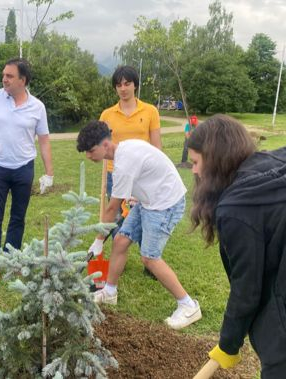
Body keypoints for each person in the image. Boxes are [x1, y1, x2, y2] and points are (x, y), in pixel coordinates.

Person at [188, 114, 286, 378]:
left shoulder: (238, 206)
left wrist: (228, 344)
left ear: (215, 159)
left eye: (196, 162)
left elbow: (246, 290)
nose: (193, 170)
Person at [77, 120, 201, 330]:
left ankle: (188, 306)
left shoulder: (124, 163)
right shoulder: (123, 151)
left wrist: (98, 240)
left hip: (165, 204)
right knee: (120, 240)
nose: (89, 156)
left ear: (105, 144)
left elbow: (112, 208)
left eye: (91, 151)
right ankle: (109, 292)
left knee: (150, 257)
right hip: (148, 201)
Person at [0, 58, 54, 289]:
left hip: (24, 169)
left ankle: (12, 260)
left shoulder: (37, 107)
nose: (4, 79)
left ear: (23, 80)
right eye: (3, 75)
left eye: (10, 76)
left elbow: (44, 141)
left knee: (17, 218)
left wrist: (49, 173)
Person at [99, 65, 162, 197]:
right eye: (119, 85)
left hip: (142, 173)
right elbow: (102, 149)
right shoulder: (106, 115)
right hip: (115, 174)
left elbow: (157, 147)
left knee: (142, 215)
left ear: (135, 85)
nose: (123, 89)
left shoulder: (151, 111)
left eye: (127, 84)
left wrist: (156, 173)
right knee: (117, 216)